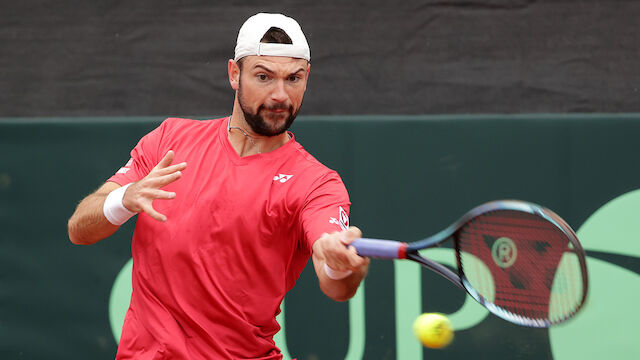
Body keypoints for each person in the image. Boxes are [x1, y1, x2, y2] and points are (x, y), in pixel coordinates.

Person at [67, 12, 369, 360]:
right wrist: (125, 197)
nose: (280, 95)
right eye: (264, 77)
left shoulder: (316, 183)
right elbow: (79, 229)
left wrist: (339, 265)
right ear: (234, 74)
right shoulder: (170, 139)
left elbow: (334, 280)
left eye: (294, 78)